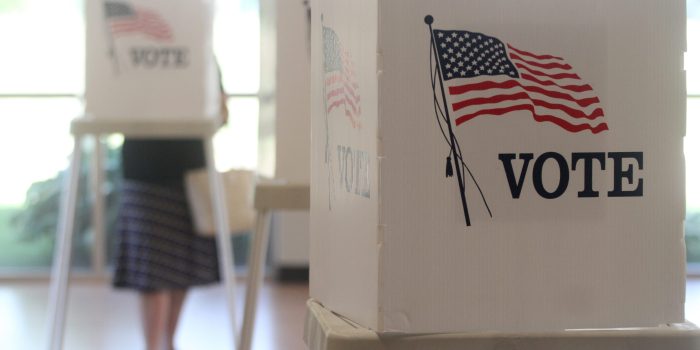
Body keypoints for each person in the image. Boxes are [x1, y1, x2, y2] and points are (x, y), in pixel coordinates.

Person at [112, 67, 229, 350]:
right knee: (157, 273)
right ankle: (157, 344)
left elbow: (222, 113)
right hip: (147, 173)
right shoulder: (136, 52)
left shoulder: (199, 51)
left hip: (184, 173)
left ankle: (166, 341)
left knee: (178, 269)